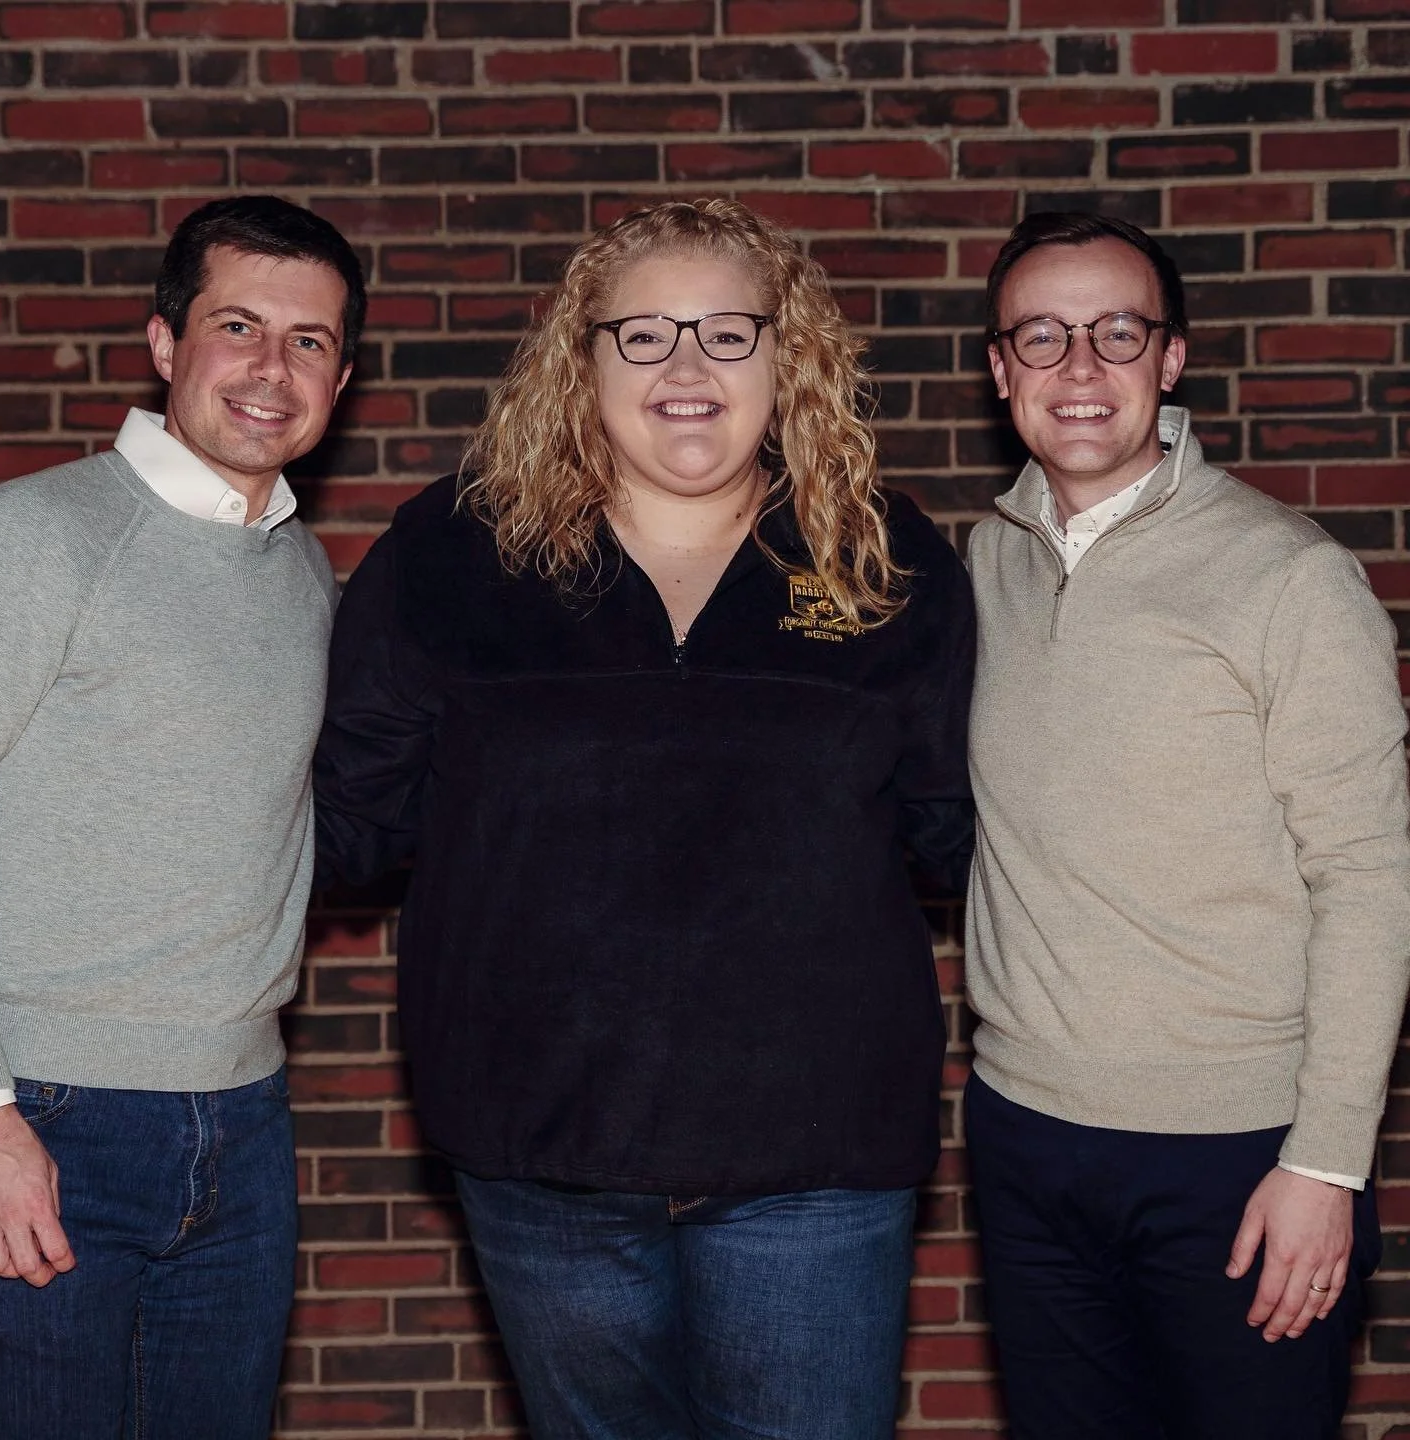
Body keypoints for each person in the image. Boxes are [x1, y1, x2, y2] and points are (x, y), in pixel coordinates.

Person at [314, 197, 975, 1440]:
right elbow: (348, 819)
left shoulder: (888, 562)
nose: (686, 368)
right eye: (644, 334)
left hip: (813, 1160)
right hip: (542, 1149)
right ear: (584, 358)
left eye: (729, 333)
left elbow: (960, 832)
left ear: (792, 358)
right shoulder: (456, 552)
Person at [963, 210, 1410, 1440]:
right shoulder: (983, 565)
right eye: (1042, 337)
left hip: (1238, 1149)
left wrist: (1327, 1163)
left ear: (1171, 360)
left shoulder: (1289, 579)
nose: (1079, 368)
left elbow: (1370, 878)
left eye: (1117, 332)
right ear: (999, 371)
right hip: (1025, 1132)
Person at [0, 195, 363, 1439]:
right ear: (162, 342)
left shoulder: (302, 574)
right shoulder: (36, 537)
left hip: (243, 1123)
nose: (271, 368)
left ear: (342, 377)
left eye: (310, 342)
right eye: (238, 325)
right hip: (45, 1114)